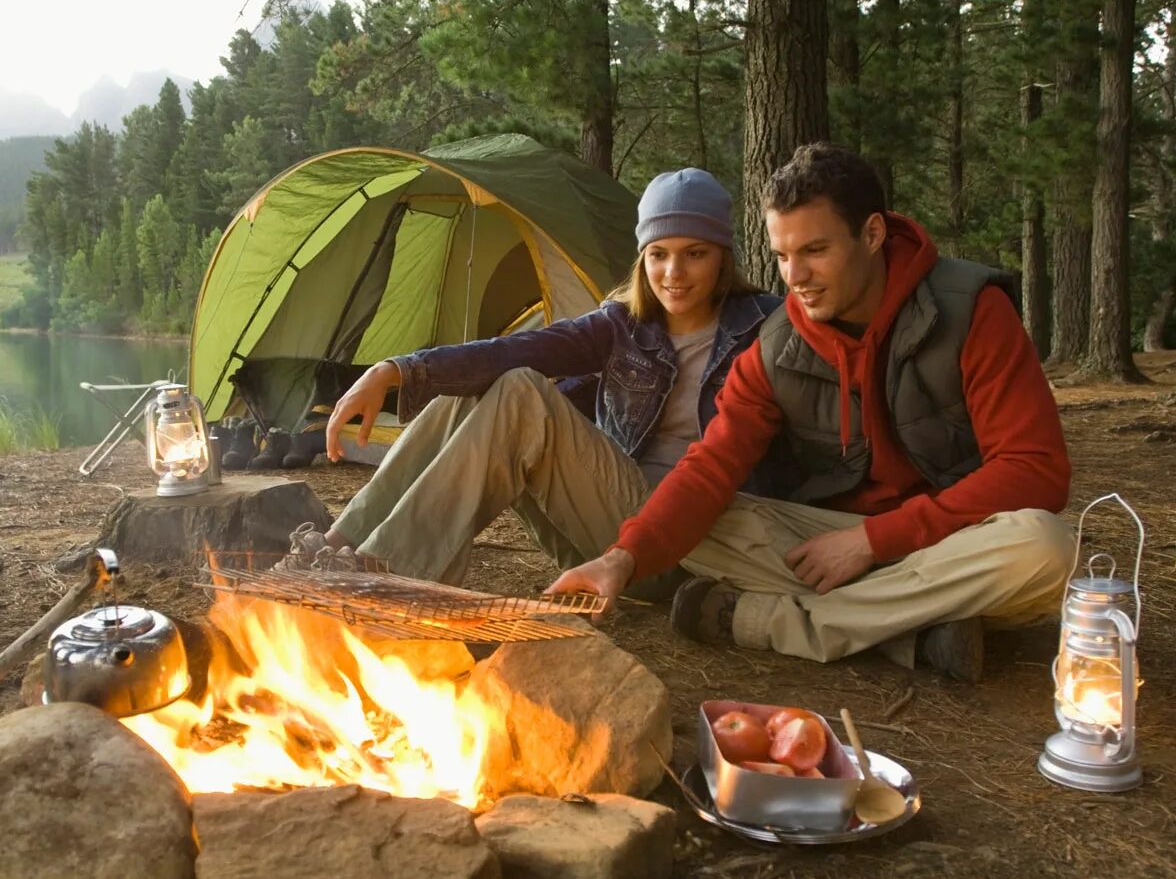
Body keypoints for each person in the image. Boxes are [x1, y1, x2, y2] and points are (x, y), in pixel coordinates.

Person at [547, 143, 1074, 682]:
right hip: (826, 544)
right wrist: (622, 559)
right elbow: (710, 467)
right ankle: (917, 623)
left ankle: (774, 622)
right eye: (781, 256)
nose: (795, 276)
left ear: (871, 234)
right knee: (699, 522)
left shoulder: (970, 310)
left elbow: (1036, 470)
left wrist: (874, 542)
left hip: (950, 538)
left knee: (1046, 547)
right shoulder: (778, 346)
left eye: (815, 250)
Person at [307, 168, 794, 587]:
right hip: (599, 534)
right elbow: (520, 347)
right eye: (658, 253)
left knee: (520, 391)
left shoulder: (765, 327)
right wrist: (395, 370)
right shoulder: (622, 324)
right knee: (480, 384)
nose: (673, 272)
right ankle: (337, 545)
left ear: (723, 256)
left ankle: (385, 573)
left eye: (695, 254)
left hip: (687, 548)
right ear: (642, 258)